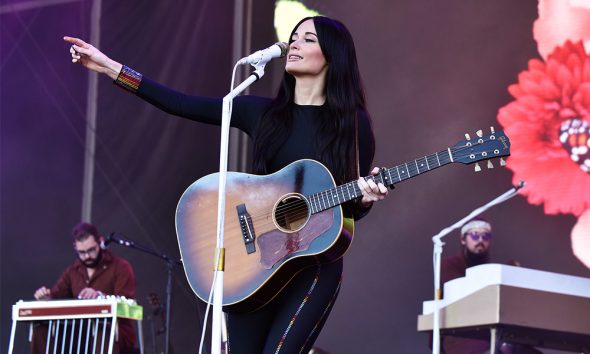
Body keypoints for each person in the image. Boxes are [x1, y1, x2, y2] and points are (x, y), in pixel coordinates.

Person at [64, 15, 388, 354]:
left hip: (313, 265)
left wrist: (365, 199)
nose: (294, 43)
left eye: (307, 39)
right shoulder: (263, 114)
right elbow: (179, 104)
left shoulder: (353, 125)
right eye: (293, 37)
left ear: (332, 55)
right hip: (252, 267)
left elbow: (350, 209)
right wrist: (110, 68)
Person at [439, 218, 542, 354]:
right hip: (460, 335)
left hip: (489, 333)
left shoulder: (488, 270)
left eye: (486, 236)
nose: (480, 240)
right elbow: (463, 298)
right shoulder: (450, 265)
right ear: (463, 240)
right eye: (475, 235)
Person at [32, 222, 137, 354]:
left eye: (91, 250)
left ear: (101, 242)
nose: (87, 256)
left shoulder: (121, 267)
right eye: (81, 252)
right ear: (75, 248)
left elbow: (130, 308)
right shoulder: (72, 271)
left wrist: (101, 297)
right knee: (41, 329)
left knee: (101, 329)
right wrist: (46, 297)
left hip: (115, 332)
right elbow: (55, 294)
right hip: (81, 332)